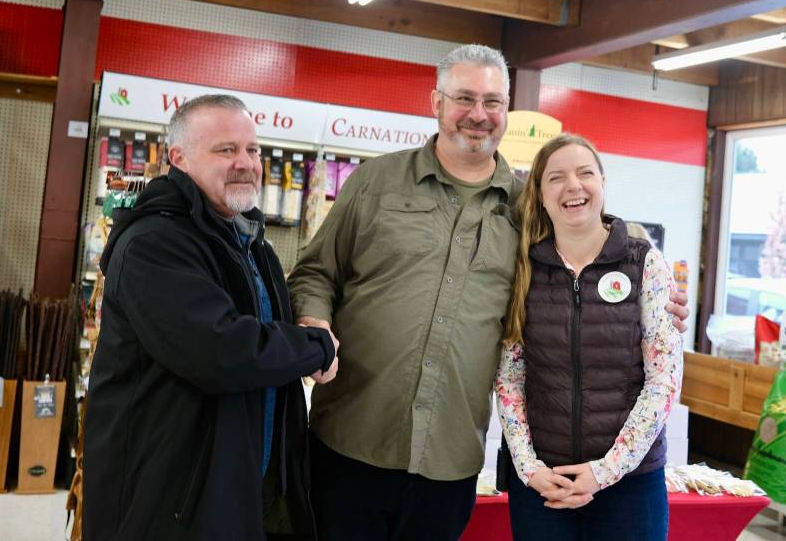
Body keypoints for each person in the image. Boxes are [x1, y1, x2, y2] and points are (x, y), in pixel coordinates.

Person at [287, 44, 689, 541]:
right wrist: (315, 324)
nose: (478, 114)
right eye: (464, 98)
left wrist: (652, 286)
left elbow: (587, 238)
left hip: (448, 459)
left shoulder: (528, 209)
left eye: (493, 102)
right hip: (350, 440)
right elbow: (314, 274)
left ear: (506, 112)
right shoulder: (376, 183)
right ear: (436, 102)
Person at [83, 95, 338, 541]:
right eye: (226, 150)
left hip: (235, 486)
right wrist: (316, 347)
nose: (245, 163)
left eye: (253, 150)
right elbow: (221, 351)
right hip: (169, 500)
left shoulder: (249, 239)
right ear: (178, 158)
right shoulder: (154, 242)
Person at [495, 133, 684, 540]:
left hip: (630, 484)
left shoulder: (644, 264)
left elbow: (663, 382)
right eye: (556, 178)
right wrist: (529, 468)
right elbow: (510, 380)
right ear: (541, 196)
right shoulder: (524, 270)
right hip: (544, 486)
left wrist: (605, 471)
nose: (573, 186)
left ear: (602, 183)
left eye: (585, 173)